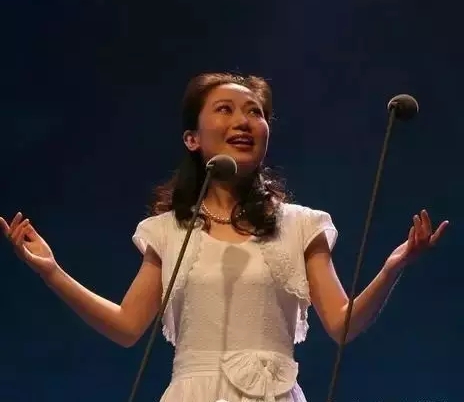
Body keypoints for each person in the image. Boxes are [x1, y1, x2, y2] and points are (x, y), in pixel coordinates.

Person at [1, 72, 449, 402]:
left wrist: (392, 268)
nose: (244, 120)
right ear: (192, 139)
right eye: (225, 109)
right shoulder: (167, 231)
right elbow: (126, 328)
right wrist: (52, 273)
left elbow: (342, 325)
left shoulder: (301, 225)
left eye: (255, 112)